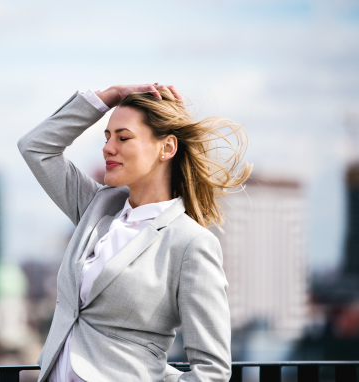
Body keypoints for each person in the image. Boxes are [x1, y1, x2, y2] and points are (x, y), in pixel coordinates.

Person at [18, 84, 252, 382]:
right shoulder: (98, 207)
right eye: (107, 137)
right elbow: (36, 148)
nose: (108, 148)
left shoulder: (191, 243)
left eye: (123, 137)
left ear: (167, 148)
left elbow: (212, 371)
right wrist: (108, 97)